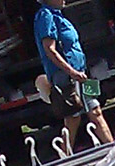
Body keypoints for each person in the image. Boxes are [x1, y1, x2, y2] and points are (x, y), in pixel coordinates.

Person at [27, 0, 110, 150]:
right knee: (72, 117)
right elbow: (50, 49)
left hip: (80, 73)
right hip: (65, 75)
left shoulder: (59, 15)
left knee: (95, 111)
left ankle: (114, 149)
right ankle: (66, 157)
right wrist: (71, 72)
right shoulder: (45, 16)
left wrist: (79, 71)